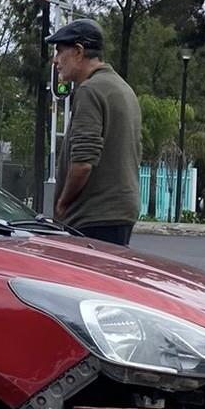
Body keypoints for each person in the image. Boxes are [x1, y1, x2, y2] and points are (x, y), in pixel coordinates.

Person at [47, 18, 142, 246]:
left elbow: (83, 162)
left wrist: (62, 203)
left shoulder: (90, 90)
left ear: (79, 52)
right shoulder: (123, 88)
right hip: (120, 211)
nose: (56, 60)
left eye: (60, 51)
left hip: (93, 215)